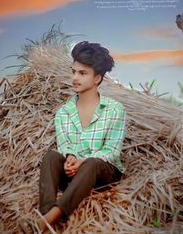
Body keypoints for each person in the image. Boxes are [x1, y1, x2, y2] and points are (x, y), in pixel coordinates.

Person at [19, 41, 126, 233]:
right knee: (51, 156)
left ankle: (47, 220)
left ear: (97, 78)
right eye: (73, 71)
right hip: (73, 175)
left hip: (102, 174)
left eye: (82, 73)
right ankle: (46, 215)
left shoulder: (114, 109)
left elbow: (112, 151)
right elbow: (65, 144)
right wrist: (70, 158)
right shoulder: (63, 112)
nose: (75, 78)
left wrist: (83, 161)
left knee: (92, 163)